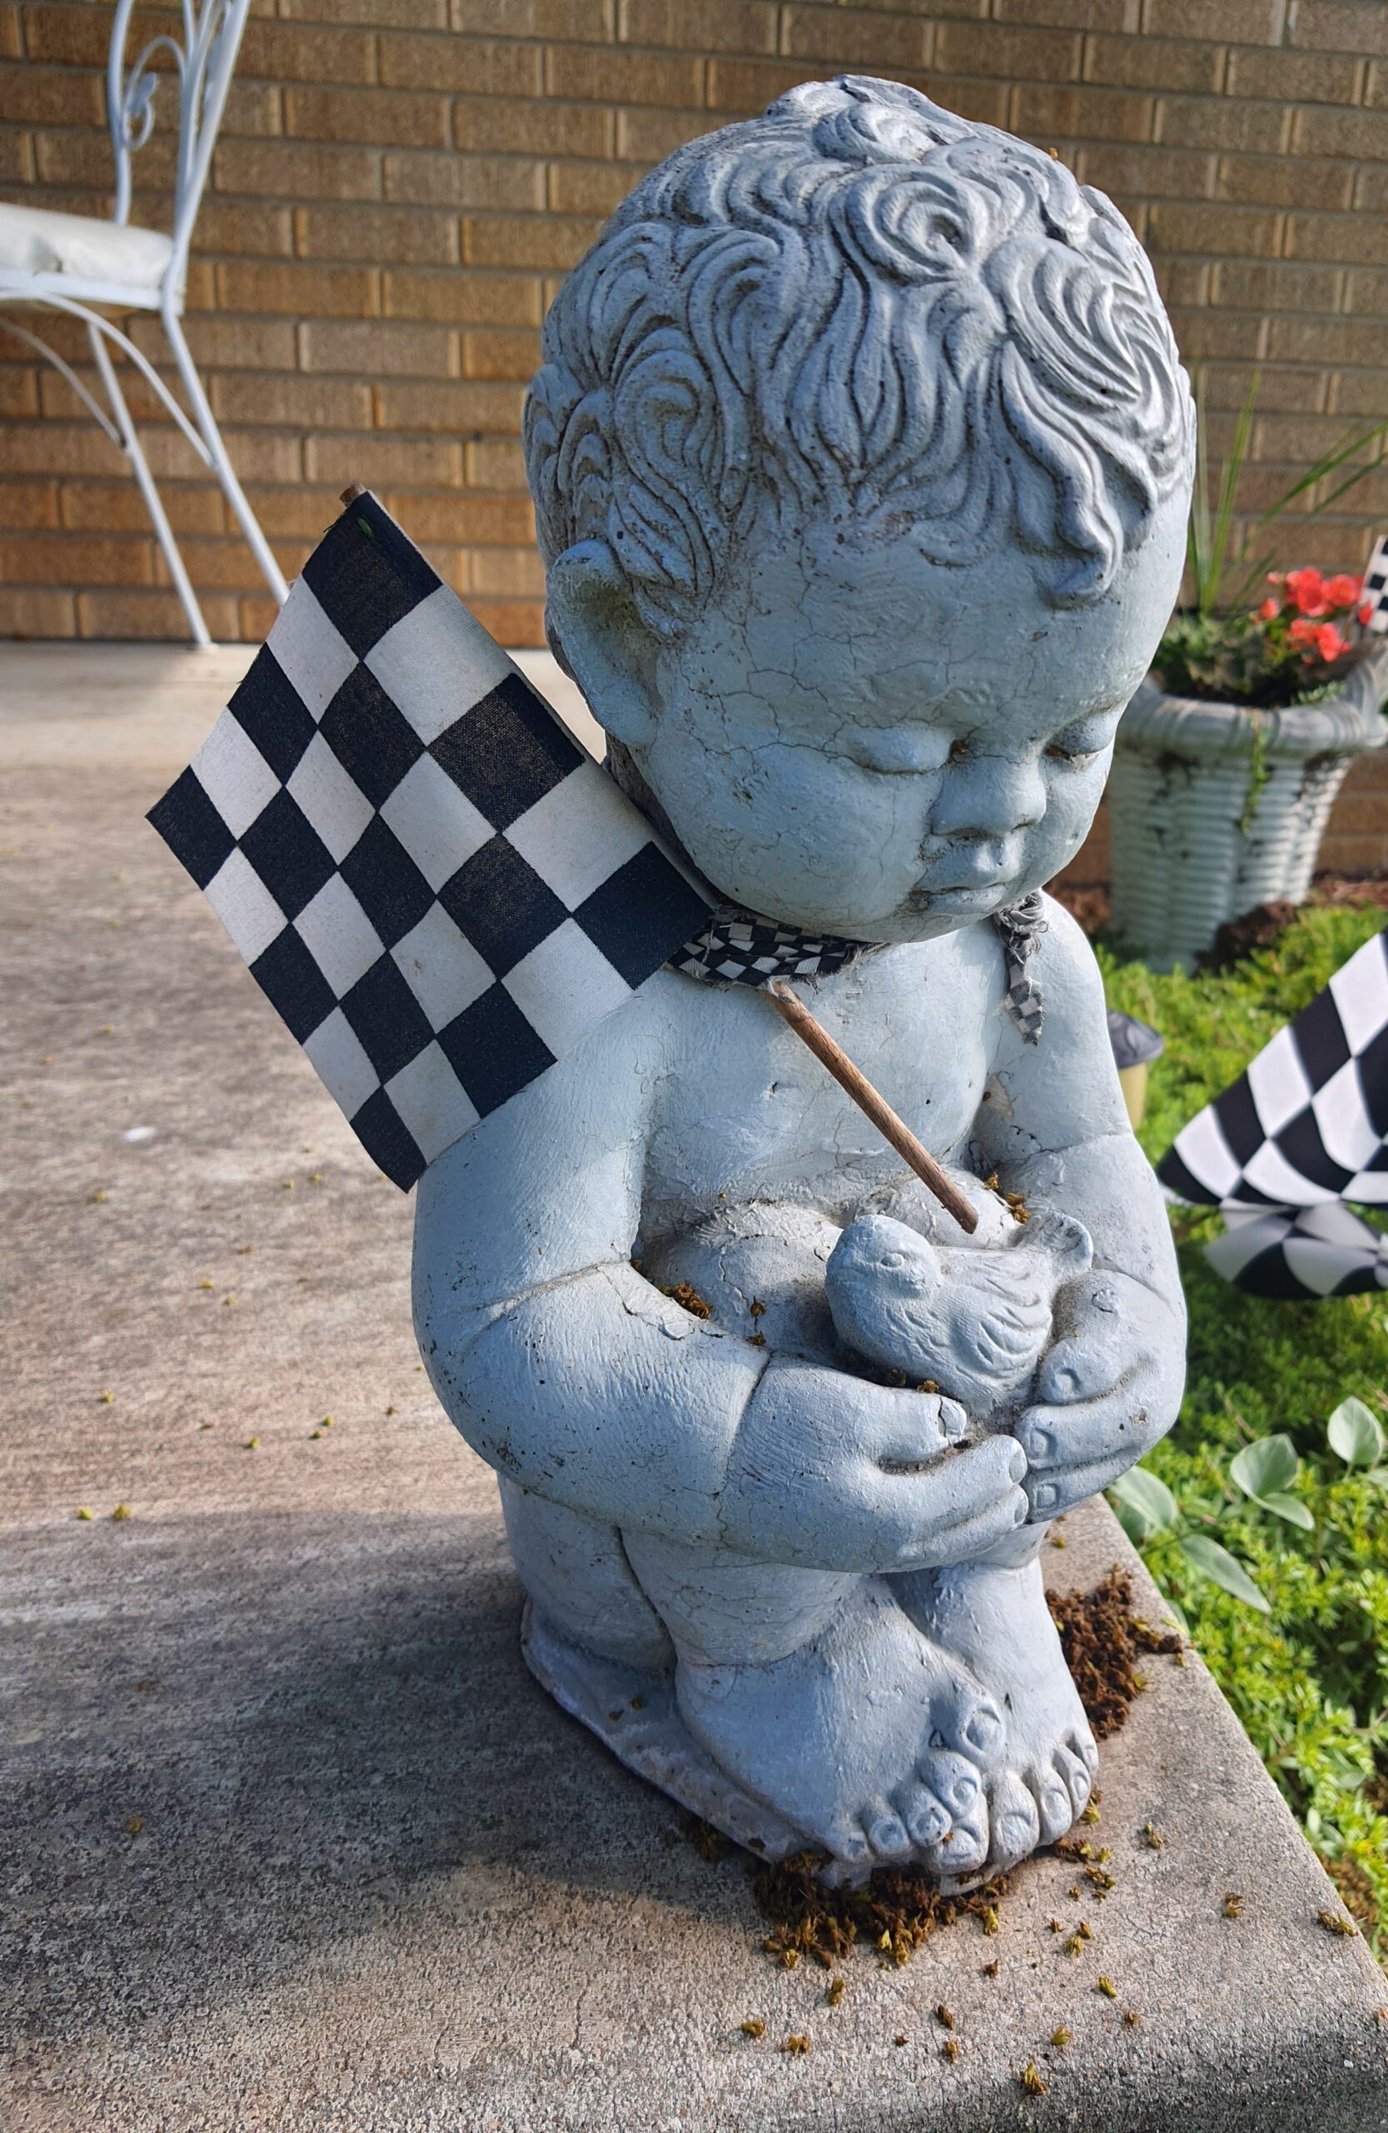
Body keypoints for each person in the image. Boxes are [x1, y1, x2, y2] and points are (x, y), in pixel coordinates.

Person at [413, 75, 1194, 1879]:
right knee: (763, 1277)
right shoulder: (588, 987)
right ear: (632, 647)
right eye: (908, 749)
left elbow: (1086, 1169)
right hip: (672, 1541)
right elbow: (508, 1323)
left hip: (944, 1475)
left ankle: (974, 1586)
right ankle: (774, 1667)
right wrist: (743, 1441)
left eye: (1077, 733)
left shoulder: (1010, 955)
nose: (1006, 817)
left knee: (996, 1268)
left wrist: (1129, 1333)